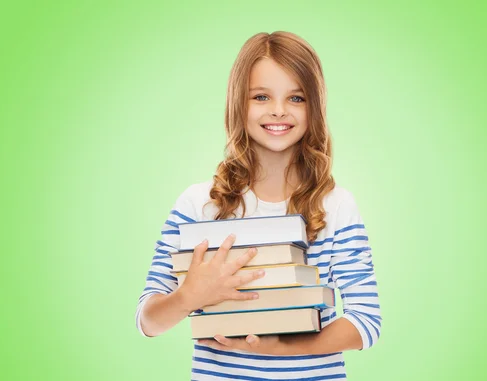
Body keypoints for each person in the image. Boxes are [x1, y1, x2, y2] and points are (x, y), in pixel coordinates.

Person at [135, 31, 382, 380]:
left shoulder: (336, 206)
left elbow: (366, 320)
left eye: (296, 98)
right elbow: (148, 321)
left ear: (315, 106)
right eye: (261, 96)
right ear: (239, 103)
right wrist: (190, 295)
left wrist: (282, 348)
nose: (278, 110)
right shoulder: (198, 205)